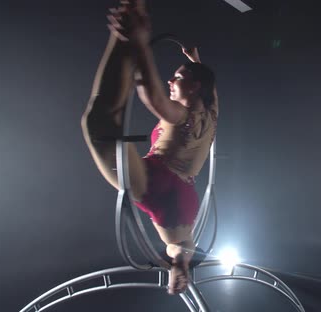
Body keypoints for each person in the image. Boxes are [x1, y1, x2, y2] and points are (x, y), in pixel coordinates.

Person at [80, 0, 218, 295]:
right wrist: (193, 60)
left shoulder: (182, 115)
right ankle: (128, 29)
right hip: (179, 194)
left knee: (101, 122)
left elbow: (152, 96)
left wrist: (142, 45)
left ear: (194, 87)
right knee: (101, 121)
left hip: (161, 182)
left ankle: (128, 32)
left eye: (178, 78)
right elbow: (209, 83)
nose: (171, 80)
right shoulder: (212, 112)